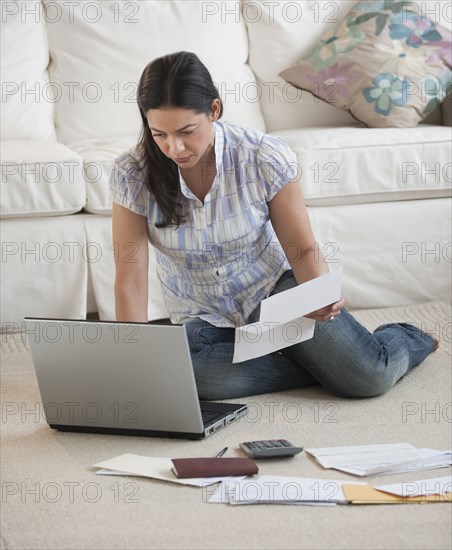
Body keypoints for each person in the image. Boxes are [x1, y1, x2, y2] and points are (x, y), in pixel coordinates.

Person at [109, 51, 437, 401]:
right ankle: (323, 366)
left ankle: (405, 337)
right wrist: (135, 360)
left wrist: (318, 294)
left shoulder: (262, 155)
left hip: (274, 295)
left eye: (186, 131)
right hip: (204, 317)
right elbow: (130, 282)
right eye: (159, 133)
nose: (173, 147)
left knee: (369, 377)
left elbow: (302, 246)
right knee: (187, 374)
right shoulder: (132, 173)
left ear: (214, 110)